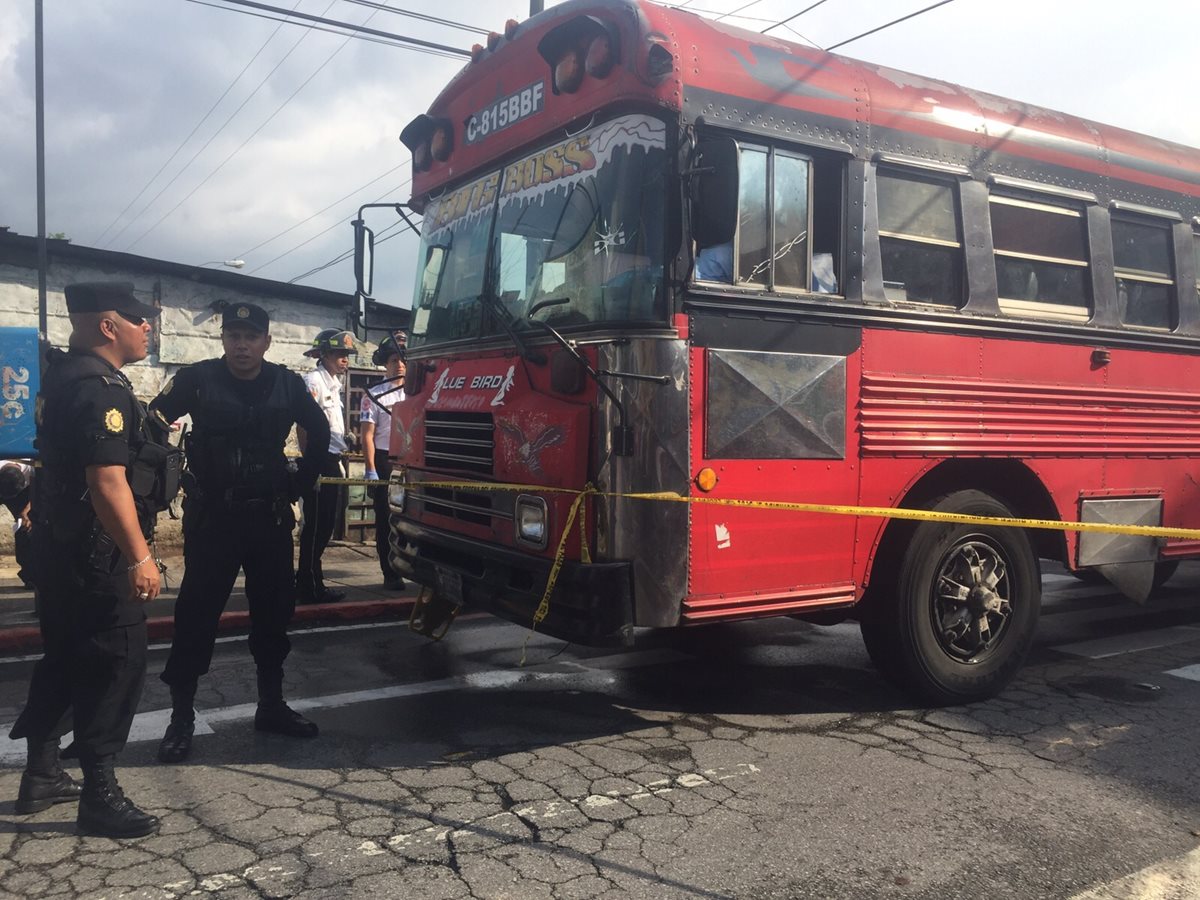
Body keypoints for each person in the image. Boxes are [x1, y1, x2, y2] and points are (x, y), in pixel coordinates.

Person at [10, 281, 173, 838]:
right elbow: (107, 482)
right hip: (97, 554)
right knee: (115, 663)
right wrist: (140, 556)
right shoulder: (102, 389)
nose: (148, 328)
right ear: (110, 326)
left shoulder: (62, 376)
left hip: (59, 547)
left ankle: (43, 773)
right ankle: (100, 793)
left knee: (64, 656)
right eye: (139, 320)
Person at [150, 303, 331, 764]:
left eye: (251, 336)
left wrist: (300, 483)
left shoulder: (288, 384)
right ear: (223, 340)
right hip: (213, 521)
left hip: (268, 519)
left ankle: (271, 705)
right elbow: (152, 423)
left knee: (273, 613)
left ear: (267, 342)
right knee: (196, 615)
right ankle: (181, 718)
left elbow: (319, 426)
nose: (242, 344)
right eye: (233, 335)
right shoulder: (197, 379)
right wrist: (162, 480)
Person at [296, 328, 356, 605]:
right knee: (316, 527)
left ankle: (314, 581)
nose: (345, 360)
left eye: (346, 355)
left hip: (334, 461)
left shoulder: (332, 383)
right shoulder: (314, 381)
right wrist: (311, 465)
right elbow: (304, 425)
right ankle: (307, 584)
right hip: (320, 462)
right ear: (324, 355)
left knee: (326, 527)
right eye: (339, 354)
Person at [359, 332, 406, 591]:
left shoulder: (418, 391)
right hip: (385, 458)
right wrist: (370, 469)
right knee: (386, 519)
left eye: (401, 359)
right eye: (392, 359)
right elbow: (367, 434)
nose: (397, 364)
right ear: (384, 364)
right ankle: (390, 572)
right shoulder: (373, 394)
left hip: (412, 460)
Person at [0, 460, 34, 586]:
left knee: (25, 529)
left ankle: (30, 575)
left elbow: (39, 490)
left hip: (25, 495)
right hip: (3, 486)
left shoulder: (30, 467)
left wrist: (27, 511)